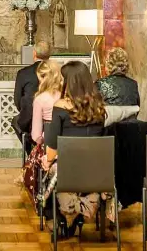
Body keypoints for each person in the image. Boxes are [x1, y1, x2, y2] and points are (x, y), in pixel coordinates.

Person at [40, 61, 117, 239]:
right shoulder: (99, 107)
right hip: (98, 173)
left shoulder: (59, 107)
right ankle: (78, 216)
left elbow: (51, 147)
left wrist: (48, 160)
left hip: (68, 173)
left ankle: (58, 219)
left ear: (68, 82)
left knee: (44, 168)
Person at [22, 60, 62, 204]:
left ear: (43, 77)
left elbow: (36, 136)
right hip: (71, 145)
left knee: (34, 157)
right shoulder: (67, 95)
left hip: (50, 146)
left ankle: (41, 195)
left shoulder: (40, 99)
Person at [12, 41, 53, 148]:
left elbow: (17, 100)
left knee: (16, 121)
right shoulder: (55, 72)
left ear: (34, 53)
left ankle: (30, 151)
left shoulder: (23, 73)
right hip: (53, 120)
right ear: (49, 55)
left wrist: (26, 110)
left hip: (30, 119)